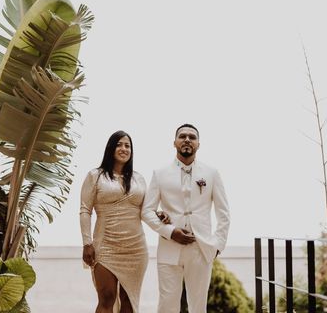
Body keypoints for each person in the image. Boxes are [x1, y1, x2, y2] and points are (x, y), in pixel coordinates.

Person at [142, 123, 230, 313]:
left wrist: (217, 245)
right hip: (169, 248)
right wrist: (170, 232)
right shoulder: (160, 173)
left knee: (198, 306)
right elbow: (147, 211)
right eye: (182, 136)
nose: (187, 140)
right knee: (167, 305)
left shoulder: (211, 173)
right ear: (174, 142)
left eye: (192, 137)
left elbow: (223, 213)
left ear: (198, 144)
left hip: (201, 247)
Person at [79, 130, 149, 313]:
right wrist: (87, 243)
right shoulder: (95, 176)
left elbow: (147, 210)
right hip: (105, 245)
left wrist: (161, 215)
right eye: (119, 144)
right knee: (106, 297)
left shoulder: (138, 179)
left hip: (135, 248)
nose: (123, 148)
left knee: (129, 302)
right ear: (110, 148)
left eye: (127, 145)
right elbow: (85, 210)